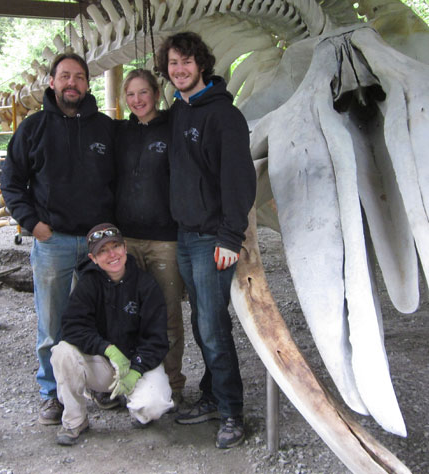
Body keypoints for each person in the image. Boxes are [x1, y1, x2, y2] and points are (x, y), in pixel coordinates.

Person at [0, 52, 115, 425]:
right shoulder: (32, 129)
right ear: (52, 82)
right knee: (51, 324)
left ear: (87, 83)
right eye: (65, 76)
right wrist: (32, 224)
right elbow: (11, 182)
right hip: (53, 243)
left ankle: (97, 384)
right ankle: (52, 393)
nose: (72, 83)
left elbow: (123, 180)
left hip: (97, 244)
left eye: (79, 77)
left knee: (99, 319)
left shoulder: (105, 128)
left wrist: (113, 231)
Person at [156, 32, 257, 449]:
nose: (179, 69)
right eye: (173, 64)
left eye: (186, 62)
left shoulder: (223, 116)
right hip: (184, 235)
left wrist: (230, 236)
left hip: (212, 239)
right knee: (203, 322)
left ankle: (233, 412)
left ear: (201, 64)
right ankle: (213, 396)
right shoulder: (179, 112)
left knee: (213, 327)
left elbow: (239, 180)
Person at [51, 223, 174, 445]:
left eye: (115, 246)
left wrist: (136, 369)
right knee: (62, 353)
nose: (112, 255)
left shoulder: (146, 284)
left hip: (137, 364)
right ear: (93, 258)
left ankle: (136, 405)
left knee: (155, 404)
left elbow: (157, 339)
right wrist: (106, 348)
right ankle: (75, 420)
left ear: (125, 248)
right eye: (103, 251)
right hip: (105, 363)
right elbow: (72, 326)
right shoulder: (88, 284)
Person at [112, 69, 186, 408]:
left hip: (164, 241)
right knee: (128, 314)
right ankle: (131, 382)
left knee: (168, 314)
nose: (137, 100)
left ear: (156, 94)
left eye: (143, 93)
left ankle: (173, 383)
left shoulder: (173, 127)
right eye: (131, 94)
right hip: (126, 240)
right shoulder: (120, 133)